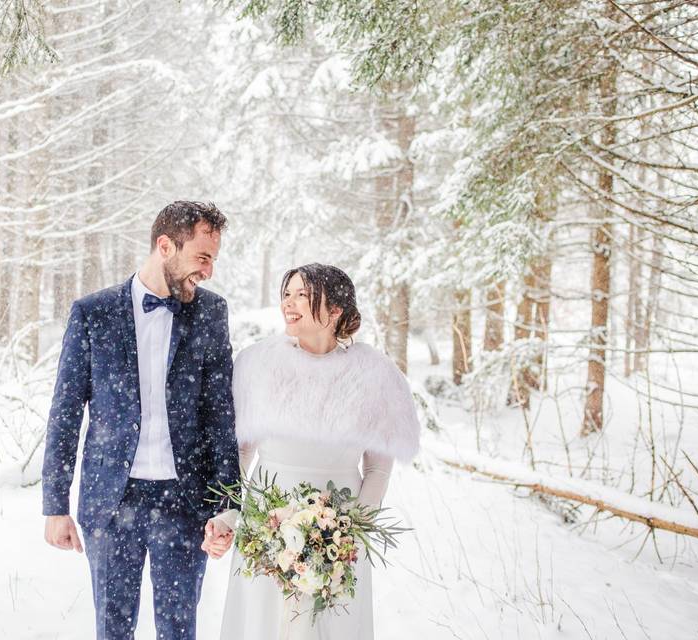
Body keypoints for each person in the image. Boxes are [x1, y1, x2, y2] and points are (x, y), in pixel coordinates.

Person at [41, 201, 240, 640]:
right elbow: (65, 412)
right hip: (111, 503)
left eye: (213, 260)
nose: (207, 271)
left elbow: (220, 414)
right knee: (112, 631)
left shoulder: (210, 313)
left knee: (178, 631)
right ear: (165, 246)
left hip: (185, 504)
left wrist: (228, 503)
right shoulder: (93, 314)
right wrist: (55, 505)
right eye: (202, 257)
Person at [203, 263, 421, 640]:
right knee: (262, 624)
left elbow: (378, 468)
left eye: (302, 294)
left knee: (330, 625)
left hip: (339, 529)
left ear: (335, 310)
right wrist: (228, 516)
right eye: (286, 293)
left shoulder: (373, 373)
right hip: (266, 522)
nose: (289, 302)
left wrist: (350, 532)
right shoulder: (258, 363)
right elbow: (239, 454)